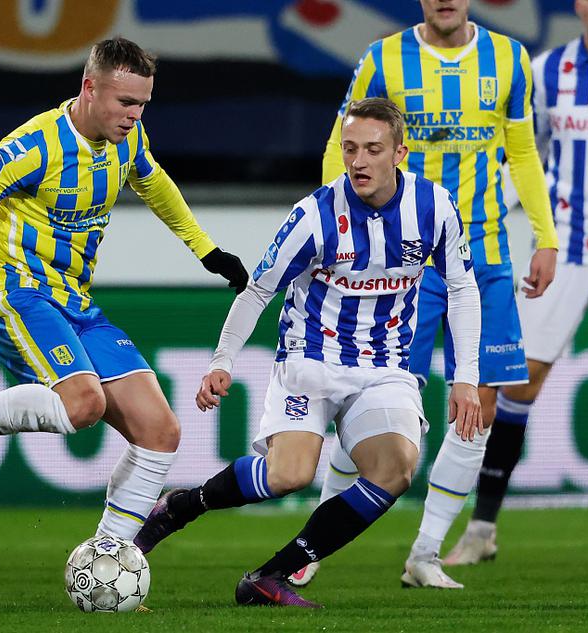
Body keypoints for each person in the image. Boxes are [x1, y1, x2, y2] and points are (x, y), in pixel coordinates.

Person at [0, 37, 249, 542]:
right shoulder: (33, 147)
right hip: (17, 292)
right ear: (90, 87)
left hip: (77, 303)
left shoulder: (129, 137)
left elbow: (153, 183)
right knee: (83, 403)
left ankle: (108, 556)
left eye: (143, 104)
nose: (134, 115)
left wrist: (206, 251)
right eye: (125, 102)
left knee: (161, 431)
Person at [132, 98, 483, 608]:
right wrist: (222, 360)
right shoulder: (315, 215)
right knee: (289, 475)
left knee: (396, 468)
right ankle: (182, 506)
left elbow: (463, 288)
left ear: (399, 153)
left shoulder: (434, 206)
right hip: (311, 359)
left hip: (384, 366)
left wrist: (466, 376)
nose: (358, 161)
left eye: (373, 149)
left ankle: (270, 576)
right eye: (350, 148)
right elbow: (258, 289)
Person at [293, 0, 560, 589]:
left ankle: (425, 553)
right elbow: (341, 145)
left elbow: (521, 151)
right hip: (402, 259)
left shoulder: (509, 58)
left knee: (479, 405)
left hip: (484, 254)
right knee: (369, 400)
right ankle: (311, 547)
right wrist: (336, 229)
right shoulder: (383, 59)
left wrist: (545, 235)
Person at [444, 0, 588, 566]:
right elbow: (523, 155)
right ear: (578, 6)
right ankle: (481, 529)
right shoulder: (546, 71)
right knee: (517, 385)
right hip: (562, 251)